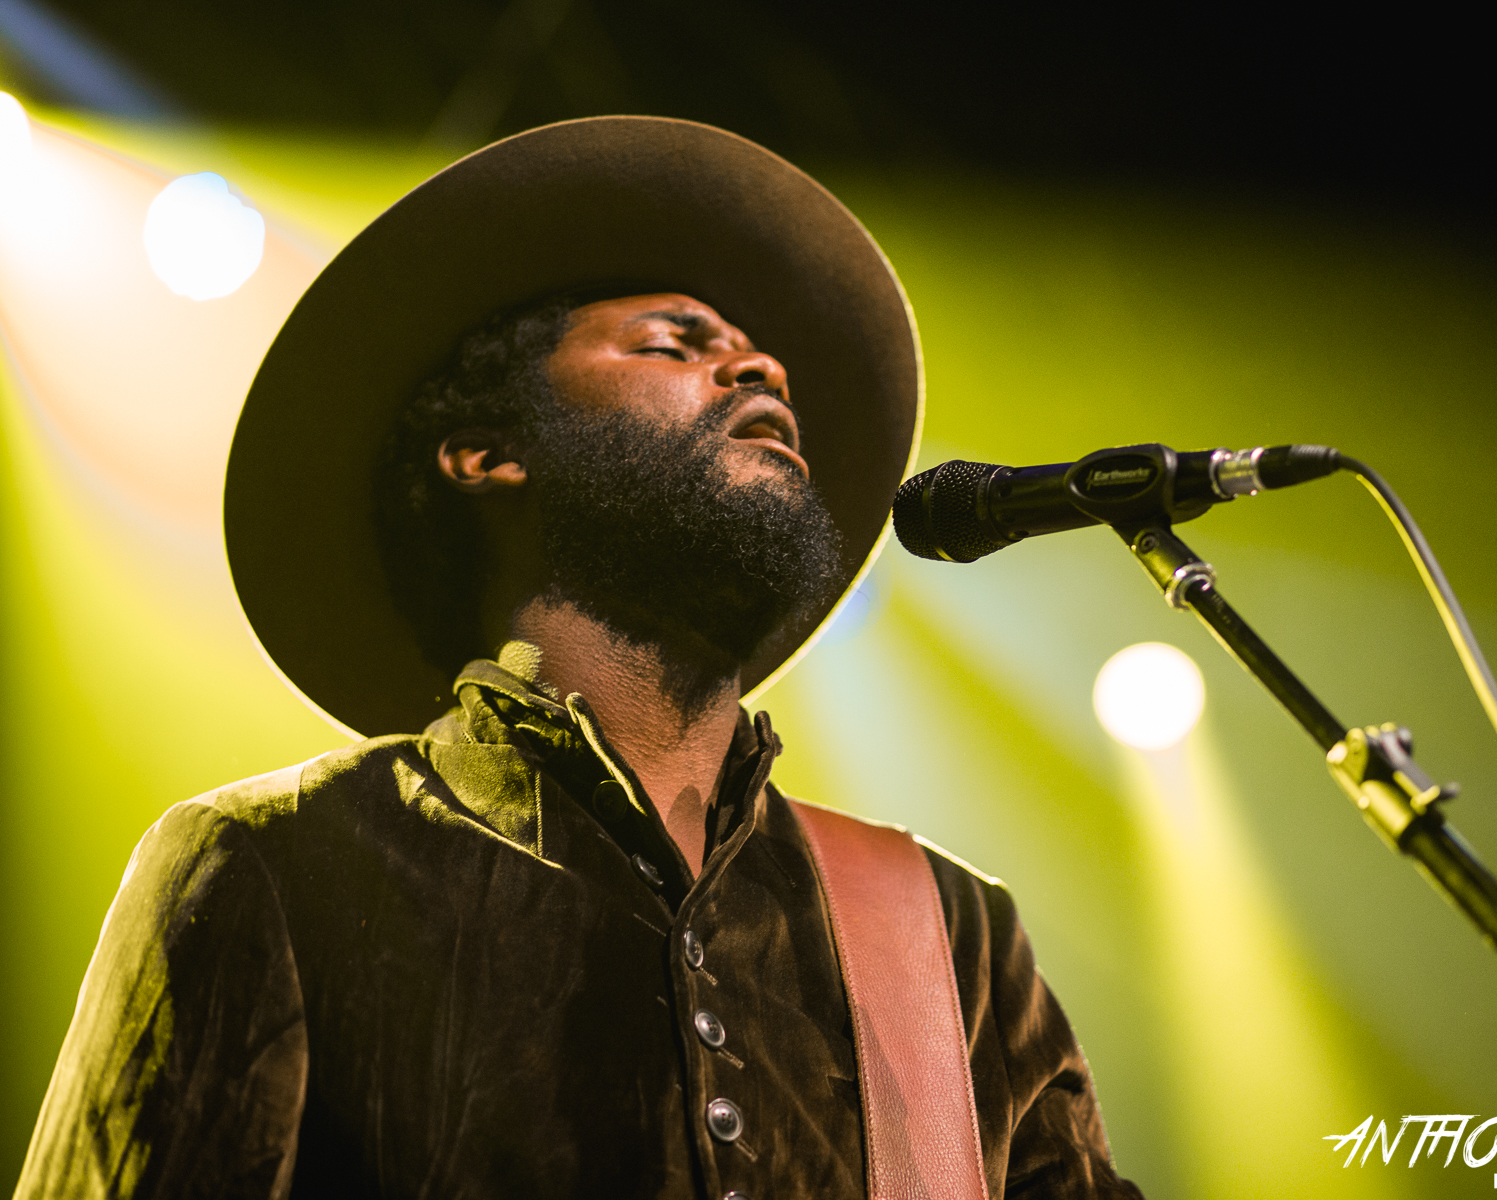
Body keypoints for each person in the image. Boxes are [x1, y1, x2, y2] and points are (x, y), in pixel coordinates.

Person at [14, 118, 1142, 1199]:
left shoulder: (950, 934)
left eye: (766, 367)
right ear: (485, 454)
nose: (759, 372)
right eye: (673, 344)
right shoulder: (273, 865)